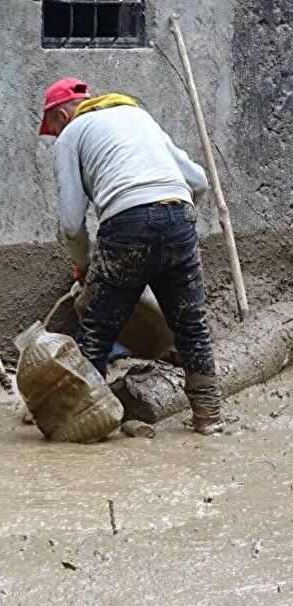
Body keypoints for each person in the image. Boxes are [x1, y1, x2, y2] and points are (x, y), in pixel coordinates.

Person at [40, 77, 223, 435]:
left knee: (96, 324)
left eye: (53, 129)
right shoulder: (137, 115)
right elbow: (198, 180)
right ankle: (209, 418)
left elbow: (71, 224)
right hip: (179, 214)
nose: (55, 136)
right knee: (191, 325)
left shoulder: (71, 135)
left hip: (126, 222)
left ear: (61, 115)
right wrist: (172, 222)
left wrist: (84, 264)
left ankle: (87, 423)